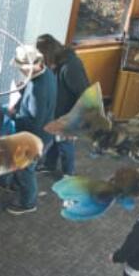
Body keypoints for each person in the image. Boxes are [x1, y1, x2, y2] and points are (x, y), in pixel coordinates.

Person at [7, 46, 56, 215]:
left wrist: (14, 116)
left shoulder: (37, 89)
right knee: (25, 169)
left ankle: (28, 203)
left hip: (35, 138)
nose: (19, 69)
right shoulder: (46, 73)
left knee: (26, 170)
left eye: (21, 66)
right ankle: (18, 186)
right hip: (47, 132)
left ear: (30, 65)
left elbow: (34, 122)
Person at [37, 34, 88, 178]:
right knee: (53, 140)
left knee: (66, 145)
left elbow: (84, 94)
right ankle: (49, 165)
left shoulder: (71, 67)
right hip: (57, 111)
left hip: (69, 115)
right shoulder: (58, 62)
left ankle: (68, 174)